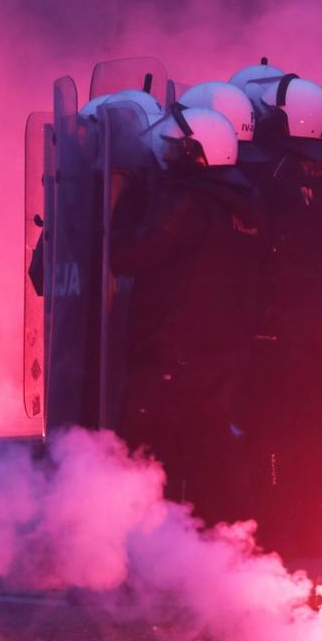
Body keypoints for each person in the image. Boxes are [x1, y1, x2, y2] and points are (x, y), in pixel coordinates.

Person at [111, 106, 265, 526]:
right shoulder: (242, 204)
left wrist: (125, 200)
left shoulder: (189, 205)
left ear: (196, 153)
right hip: (222, 355)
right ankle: (220, 548)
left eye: (175, 146)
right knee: (210, 453)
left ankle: (138, 548)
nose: (167, 152)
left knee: (142, 456)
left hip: (170, 353)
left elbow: (127, 254)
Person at [235, 74, 322, 555]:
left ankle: (276, 526)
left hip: (277, 320)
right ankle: (314, 524)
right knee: (309, 423)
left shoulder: (267, 174)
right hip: (318, 317)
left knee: (270, 427)